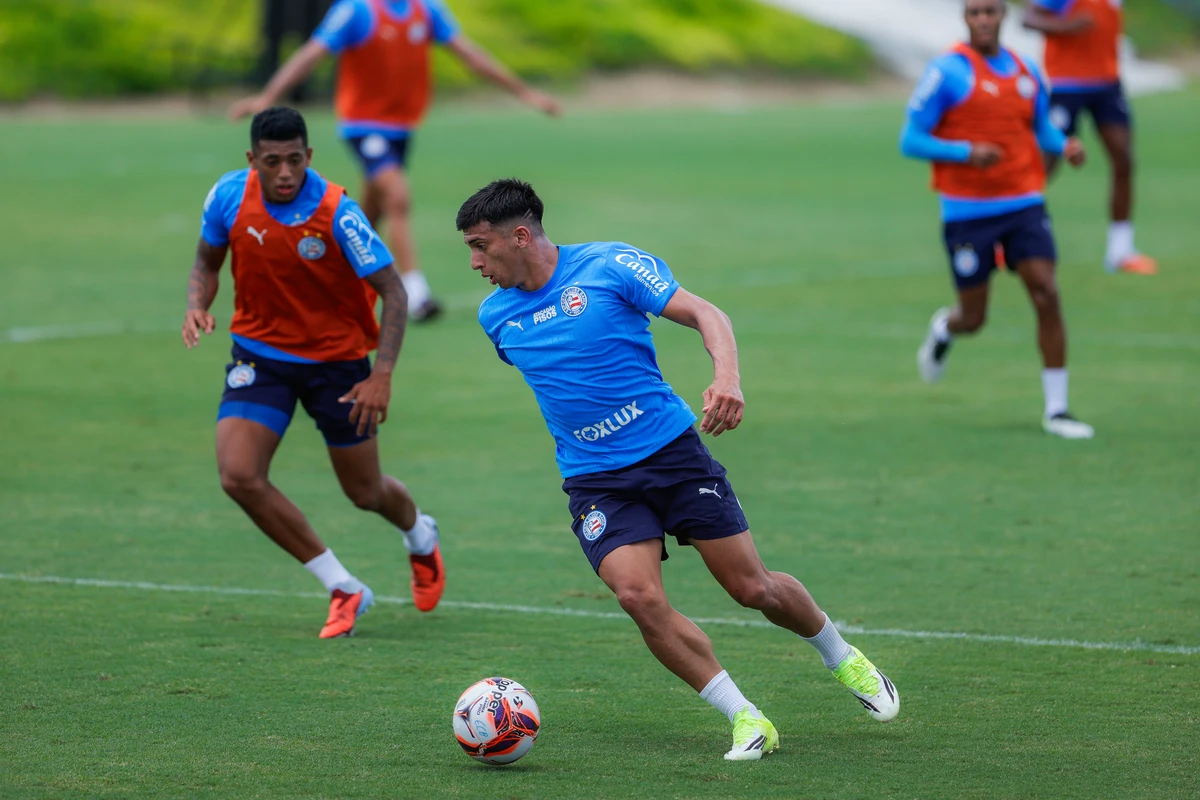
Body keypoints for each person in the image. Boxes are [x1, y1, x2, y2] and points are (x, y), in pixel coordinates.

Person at [458, 179, 899, 761]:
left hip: (671, 454)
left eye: (481, 246)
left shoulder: (609, 266)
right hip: (595, 480)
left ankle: (844, 658)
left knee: (752, 588)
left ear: (520, 236)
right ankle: (745, 718)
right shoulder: (496, 317)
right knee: (638, 597)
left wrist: (727, 378)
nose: (474, 263)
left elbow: (704, 312)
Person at [183, 107, 444, 638]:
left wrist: (382, 375)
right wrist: (196, 303)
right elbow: (207, 262)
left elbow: (394, 292)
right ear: (252, 159)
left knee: (366, 493)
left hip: (339, 365)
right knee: (238, 476)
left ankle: (419, 534)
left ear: (310, 157)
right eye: (272, 162)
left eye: (295, 160)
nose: (284, 173)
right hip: (261, 359)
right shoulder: (228, 196)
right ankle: (342, 585)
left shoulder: (338, 213)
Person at [230, 0, 562, 322]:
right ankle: (415, 293)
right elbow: (312, 53)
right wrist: (268, 97)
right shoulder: (356, 10)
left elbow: (470, 55)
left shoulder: (426, 9)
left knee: (368, 216)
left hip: (402, 129)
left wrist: (526, 93)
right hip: (363, 126)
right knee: (398, 196)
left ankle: (322, 279)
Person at [901, 0, 1096, 439]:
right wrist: (965, 152)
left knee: (1047, 292)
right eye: (975, 12)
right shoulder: (947, 72)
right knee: (974, 318)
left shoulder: (1026, 71)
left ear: (1003, 15)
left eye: (990, 11)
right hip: (968, 213)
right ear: (965, 18)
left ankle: (1058, 409)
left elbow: (1040, 129)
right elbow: (910, 139)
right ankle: (945, 327)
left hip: (1024, 202)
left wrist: (1065, 145)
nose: (983, 19)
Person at [1023, 0, 1157, 275]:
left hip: (1107, 82)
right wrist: (1065, 25)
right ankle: (1009, 235)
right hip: (1066, 82)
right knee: (1045, 164)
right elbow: (1029, 17)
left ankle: (1120, 250)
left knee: (1124, 159)